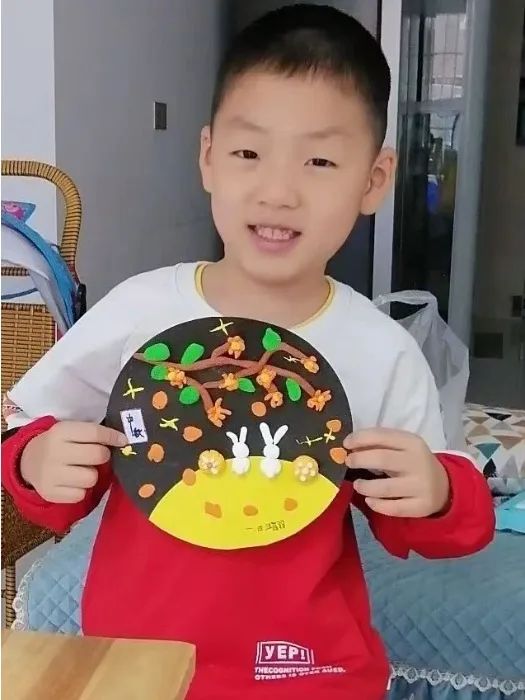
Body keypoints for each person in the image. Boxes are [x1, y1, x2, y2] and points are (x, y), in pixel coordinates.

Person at [2, 5, 494, 699]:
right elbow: (27, 437)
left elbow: (442, 517)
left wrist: (437, 491)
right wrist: (37, 460)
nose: (278, 192)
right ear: (208, 157)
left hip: (310, 674)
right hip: (142, 667)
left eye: (320, 161)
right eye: (248, 154)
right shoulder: (138, 311)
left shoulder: (379, 349)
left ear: (373, 179)